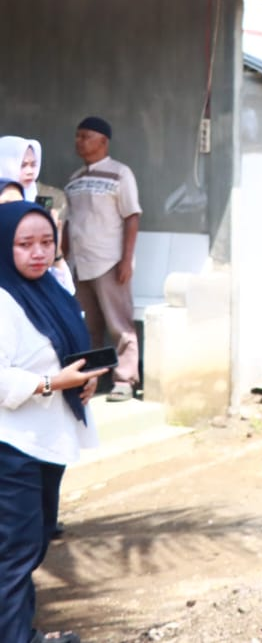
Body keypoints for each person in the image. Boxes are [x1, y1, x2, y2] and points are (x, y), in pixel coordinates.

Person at [0, 201, 109, 643]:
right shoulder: (3, 299)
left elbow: (70, 348)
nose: (38, 253)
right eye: (24, 244)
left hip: (48, 437)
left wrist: (82, 383)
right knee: (16, 551)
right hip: (12, 445)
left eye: (46, 242)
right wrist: (51, 382)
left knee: (36, 540)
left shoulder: (51, 289)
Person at [63, 118, 141, 400]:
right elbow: (69, 222)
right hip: (79, 264)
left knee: (119, 324)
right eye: (77, 136)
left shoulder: (120, 174)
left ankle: (124, 379)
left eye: (85, 136)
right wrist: (64, 257)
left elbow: (132, 216)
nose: (79, 141)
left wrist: (126, 260)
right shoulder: (74, 180)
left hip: (109, 262)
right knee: (87, 325)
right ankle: (95, 378)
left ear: (103, 142)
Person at [0, 137, 73, 292]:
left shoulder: (36, 201)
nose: (30, 171)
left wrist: (56, 252)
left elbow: (67, 290)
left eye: (33, 164)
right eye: (23, 165)